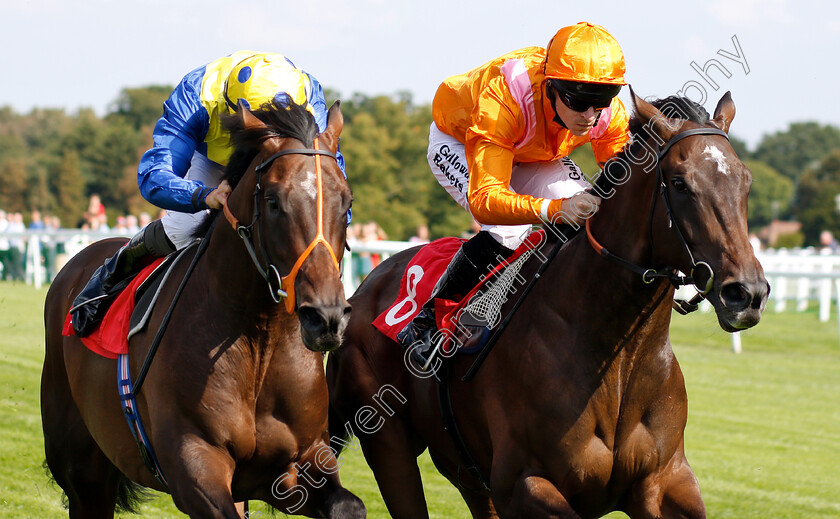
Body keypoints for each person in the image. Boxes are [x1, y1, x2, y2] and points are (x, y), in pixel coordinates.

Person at [71, 51, 346, 336]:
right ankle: (114, 271)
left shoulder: (306, 91)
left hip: (285, 160)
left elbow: (333, 175)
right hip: (211, 157)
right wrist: (204, 195)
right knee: (184, 227)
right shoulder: (196, 96)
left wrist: (335, 221)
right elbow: (154, 177)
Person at [399, 22, 631, 350]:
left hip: (530, 150)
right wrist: (554, 209)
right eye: (579, 101)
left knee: (587, 215)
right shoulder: (505, 97)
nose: (591, 115)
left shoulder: (608, 114)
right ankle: (427, 323)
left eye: (603, 99)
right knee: (509, 228)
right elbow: (486, 200)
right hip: (461, 141)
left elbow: (624, 188)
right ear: (552, 87)